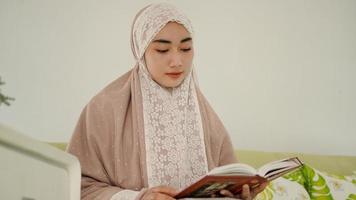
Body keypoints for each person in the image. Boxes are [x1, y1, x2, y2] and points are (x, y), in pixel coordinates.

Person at [67, 3, 267, 200]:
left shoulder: (204, 115)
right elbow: (77, 187)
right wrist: (138, 198)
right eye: (162, 50)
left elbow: (227, 179)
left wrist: (239, 196)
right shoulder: (103, 109)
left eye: (186, 48)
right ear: (141, 51)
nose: (177, 61)